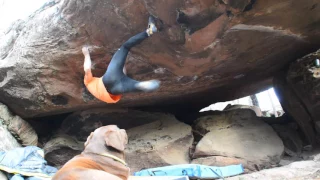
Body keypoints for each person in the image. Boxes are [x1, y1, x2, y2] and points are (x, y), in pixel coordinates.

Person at [82, 15, 162, 103]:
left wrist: (121, 64)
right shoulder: (88, 83)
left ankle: (140, 85)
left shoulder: (101, 97)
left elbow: (121, 76)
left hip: (116, 89)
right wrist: (86, 53)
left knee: (133, 85)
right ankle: (149, 31)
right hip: (108, 79)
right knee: (125, 47)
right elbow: (87, 68)